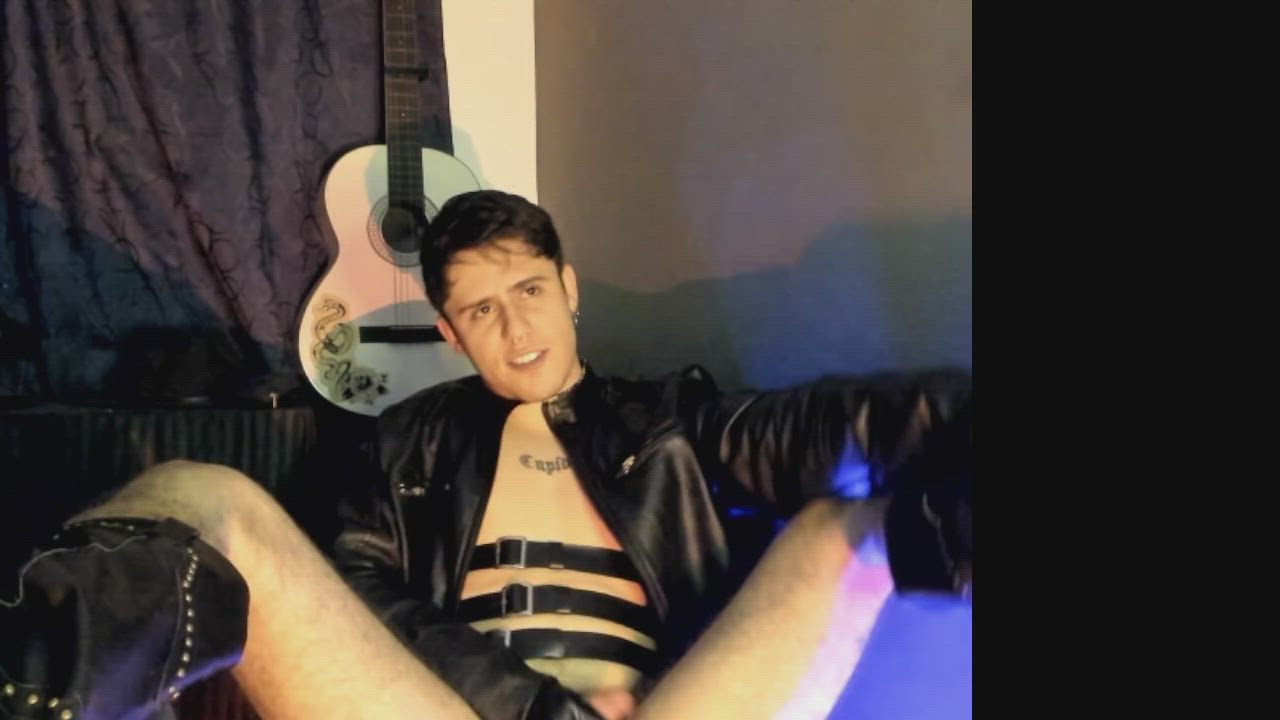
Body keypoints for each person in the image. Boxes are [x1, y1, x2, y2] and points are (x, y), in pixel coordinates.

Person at [0, 190, 971, 720]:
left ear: (569, 288)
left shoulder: (676, 420)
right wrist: (530, 709)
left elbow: (836, 427)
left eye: (530, 292)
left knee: (851, 522)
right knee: (200, 491)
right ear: (451, 332)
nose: (516, 331)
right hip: (451, 714)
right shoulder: (403, 445)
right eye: (480, 310)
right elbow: (360, 595)